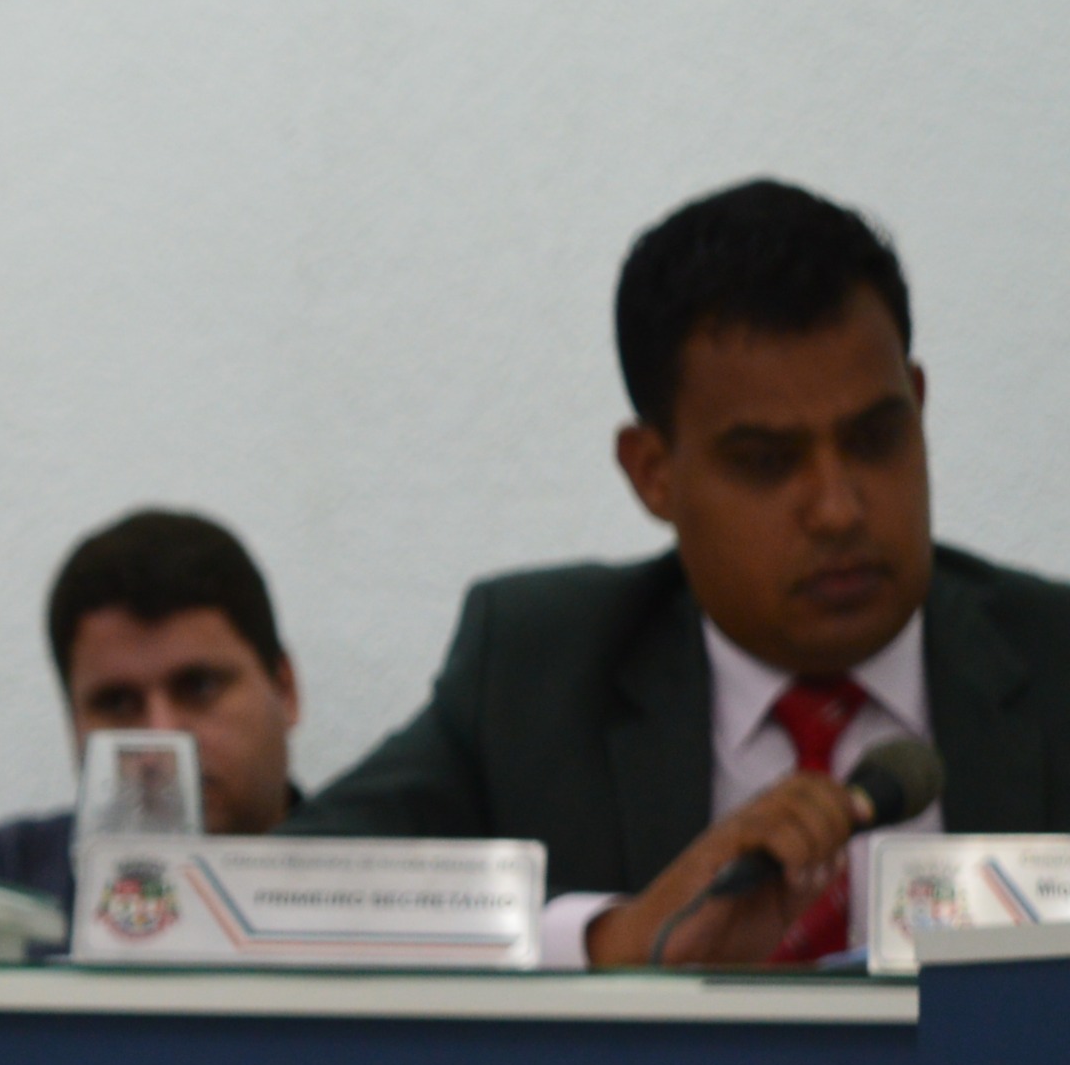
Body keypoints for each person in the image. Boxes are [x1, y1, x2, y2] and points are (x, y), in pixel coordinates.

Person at [290, 178, 1070, 967]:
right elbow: (288, 894)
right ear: (653, 473)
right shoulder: (536, 674)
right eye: (766, 462)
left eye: (874, 440)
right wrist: (609, 939)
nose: (838, 509)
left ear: (919, 406)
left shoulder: (1055, 658)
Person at [0, 510, 303, 944]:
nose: (159, 741)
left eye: (199, 687)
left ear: (285, 690)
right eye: (117, 704)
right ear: (73, 723)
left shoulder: (363, 878)